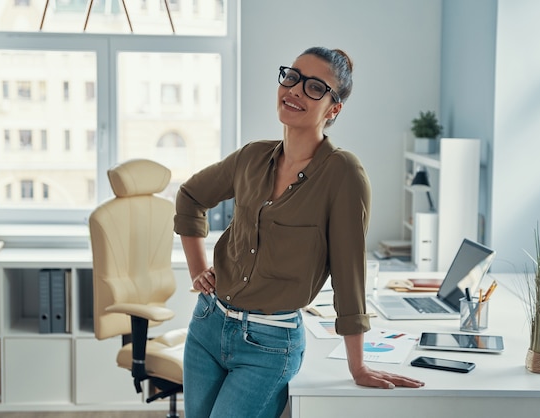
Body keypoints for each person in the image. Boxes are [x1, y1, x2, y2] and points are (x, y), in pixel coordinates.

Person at [174, 46, 425, 418]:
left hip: (269, 345)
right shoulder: (251, 158)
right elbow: (190, 196)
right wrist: (198, 270)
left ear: (334, 108)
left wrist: (357, 366)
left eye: (313, 87)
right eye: (291, 77)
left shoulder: (343, 174)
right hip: (207, 325)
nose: (294, 90)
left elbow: (348, 273)